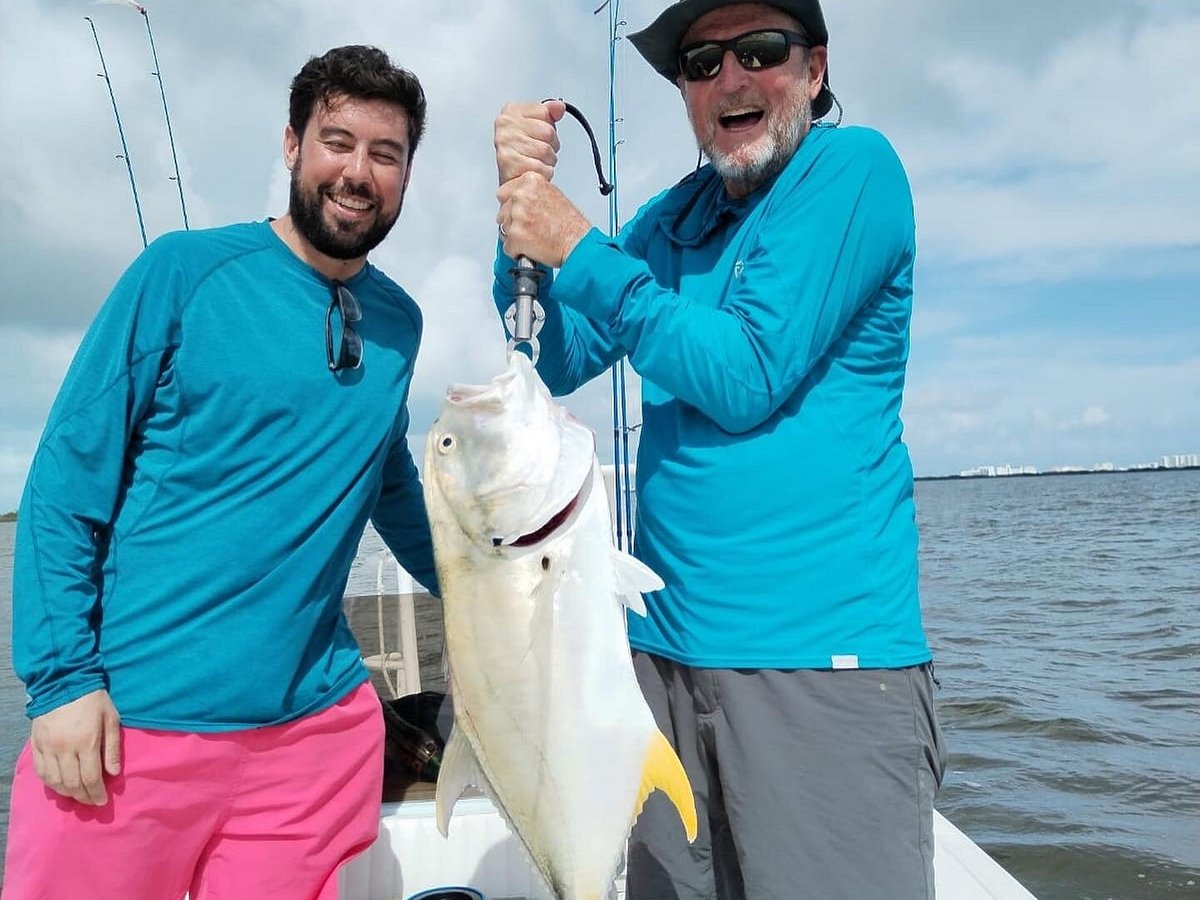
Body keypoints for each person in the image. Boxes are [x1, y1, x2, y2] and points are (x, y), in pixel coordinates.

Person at [491, 2, 946, 898]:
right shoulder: (671, 220)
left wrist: (576, 245)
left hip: (818, 665)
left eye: (760, 50)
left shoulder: (854, 171)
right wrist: (516, 221)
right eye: (702, 62)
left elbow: (748, 371)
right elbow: (557, 355)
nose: (729, 77)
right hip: (656, 668)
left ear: (813, 70)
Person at [5, 45, 437, 899]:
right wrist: (59, 683)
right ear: (291, 145)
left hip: (313, 746)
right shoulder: (181, 273)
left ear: (407, 174)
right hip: (132, 733)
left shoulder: (401, 324)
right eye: (336, 141)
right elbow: (64, 485)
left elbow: (387, 481)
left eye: (384, 154)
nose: (357, 172)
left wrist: (505, 584)